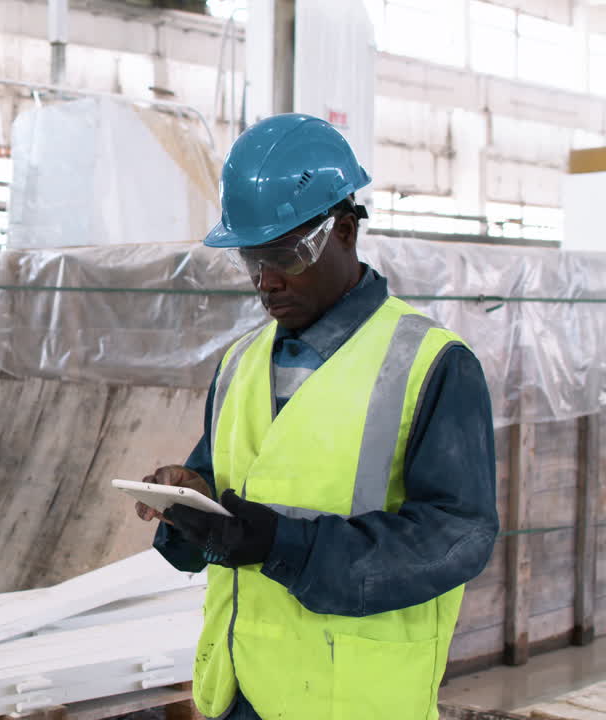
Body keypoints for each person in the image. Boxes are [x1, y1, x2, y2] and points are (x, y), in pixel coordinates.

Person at [136, 113, 498, 719]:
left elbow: (456, 537)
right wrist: (189, 506)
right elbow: (225, 511)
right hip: (240, 692)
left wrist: (284, 544)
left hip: (350, 700)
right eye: (252, 257)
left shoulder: (431, 365)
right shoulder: (239, 365)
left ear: (347, 231)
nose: (266, 280)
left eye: (286, 253)